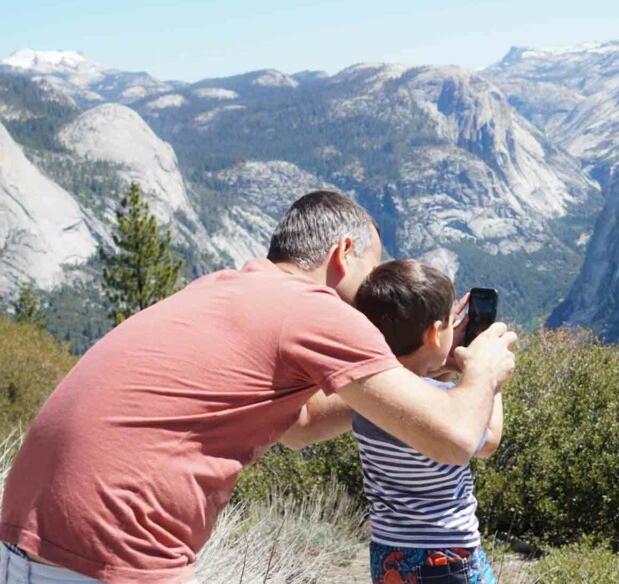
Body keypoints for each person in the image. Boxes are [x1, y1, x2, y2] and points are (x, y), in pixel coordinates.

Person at [0, 191, 514, 584]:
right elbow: (455, 437)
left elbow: (302, 425)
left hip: (23, 540)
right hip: (113, 554)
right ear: (344, 253)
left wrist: (408, 382)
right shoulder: (318, 310)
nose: (376, 294)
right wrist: (483, 367)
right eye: (373, 269)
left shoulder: (225, 286)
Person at [350, 259, 502, 584]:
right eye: (450, 323)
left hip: (389, 553)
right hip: (445, 553)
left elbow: (409, 380)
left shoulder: (366, 400)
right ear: (434, 334)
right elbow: (487, 441)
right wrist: (487, 375)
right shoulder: (445, 404)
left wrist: (441, 358)